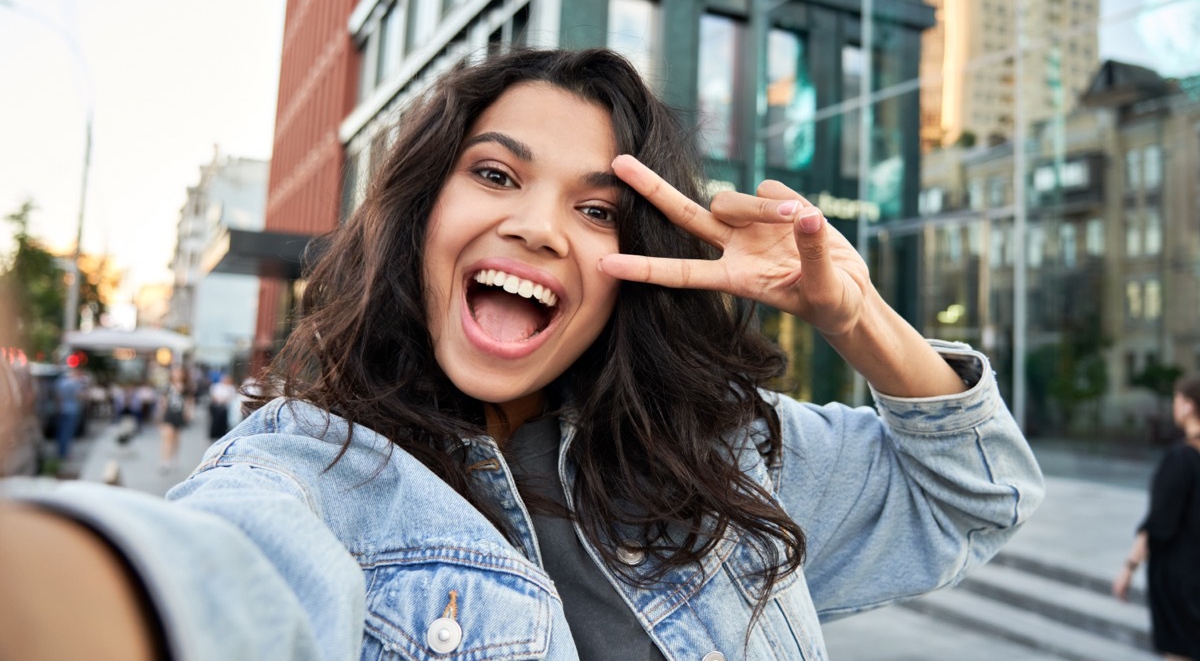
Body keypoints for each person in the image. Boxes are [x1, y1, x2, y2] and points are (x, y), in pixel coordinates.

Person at [0, 47, 1043, 661]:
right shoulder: (302, 474)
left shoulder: (718, 453)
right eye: (497, 175)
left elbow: (974, 494)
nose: (540, 227)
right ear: (424, 212)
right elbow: (218, 579)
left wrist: (853, 313)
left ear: (632, 259)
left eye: (595, 207)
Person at [1113, 375, 1200, 660]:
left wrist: (1128, 568)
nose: (1174, 406)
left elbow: (1158, 524)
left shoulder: (1181, 458)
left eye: (1176, 400)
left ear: (1188, 407)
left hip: (1182, 579)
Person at [156, 365, 189, 473]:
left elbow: (189, 401)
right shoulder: (167, 386)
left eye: (179, 372)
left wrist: (188, 413)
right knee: (167, 437)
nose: (177, 374)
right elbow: (163, 402)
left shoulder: (185, 387)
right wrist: (160, 416)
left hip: (179, 414)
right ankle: (165, 460)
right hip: (168, 414)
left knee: (176, 437)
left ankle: (174, 457)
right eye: (175, 372)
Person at [51, 366, 85, 462]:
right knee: (68, 433)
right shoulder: (75, 383)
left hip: (63, 409)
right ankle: (65, 454)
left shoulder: (60, 382)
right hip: (72, 410)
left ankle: (59, 453)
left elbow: (58, 397)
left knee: (61, 432)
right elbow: (79, 396)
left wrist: (59, 408)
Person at [207, 372, 235, 439]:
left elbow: (231, 397)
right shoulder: (216, 386)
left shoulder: (231, 388)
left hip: (225, 406)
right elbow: (213, 396)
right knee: (215, 420)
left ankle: (222, 433)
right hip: (216, 405)